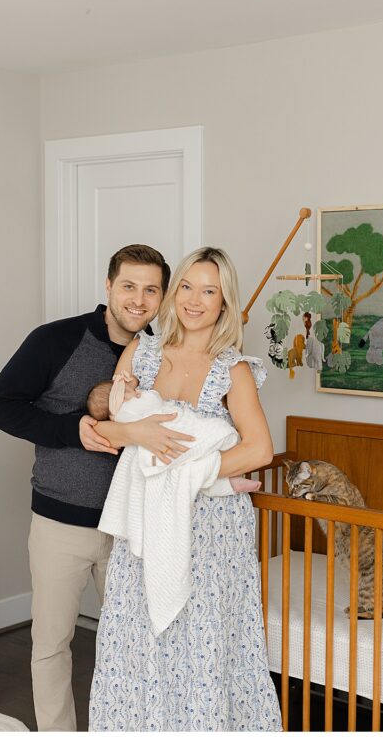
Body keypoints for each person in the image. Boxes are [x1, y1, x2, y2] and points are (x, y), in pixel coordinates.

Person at [0, 244, 195, 732]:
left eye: (151, 290)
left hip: (134, 529)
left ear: (163, 296)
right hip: (62, 521)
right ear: (108, 286)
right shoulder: (55, 340)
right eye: (129, 286)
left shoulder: (161, 354)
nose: (138, 300)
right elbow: (1, 406)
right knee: (52, 643)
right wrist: (71, 428)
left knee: (139, 645)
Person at [87, 246, 282, 731]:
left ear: (224, 304)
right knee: (140, 635)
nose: (195, 300)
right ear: (174, 296)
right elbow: (106, 427)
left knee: (205, 638)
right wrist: (140, 434)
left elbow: (259, 449)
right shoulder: (143, 352)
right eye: (187, 288)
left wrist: (193, 469)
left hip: (213, 529)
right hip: (148, 518)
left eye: (209, 291)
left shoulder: (234, 368)